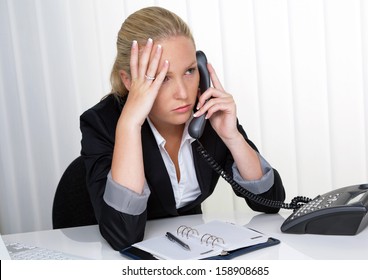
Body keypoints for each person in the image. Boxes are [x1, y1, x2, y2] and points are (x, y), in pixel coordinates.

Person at [80, 6, 285, 251]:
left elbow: (270, 202)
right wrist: (130, 125)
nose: (183, 93)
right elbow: (122, 235)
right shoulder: (102, 123)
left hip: (195, 255)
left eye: (189, 71)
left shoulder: (206, 110)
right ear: (129, 81)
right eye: (163, 77)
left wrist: (232, 136)